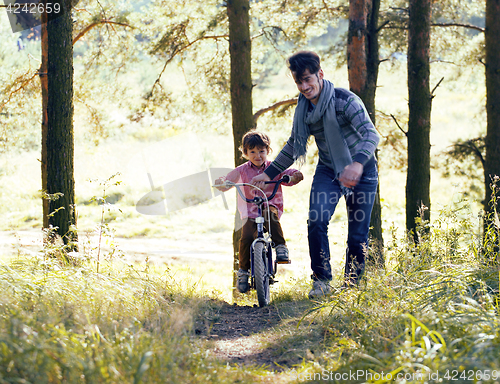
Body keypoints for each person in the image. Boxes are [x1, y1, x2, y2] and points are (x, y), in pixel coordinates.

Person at [251, 51, 380, 299]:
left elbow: (371, 134)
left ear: (320, 74)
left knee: (357, 234)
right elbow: (294, 145)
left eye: (308, 79)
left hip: (362, 172)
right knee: (316, 221)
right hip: (329, 171)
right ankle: (321, 281)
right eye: (299, 82)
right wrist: (269, 173)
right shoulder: (304, 109)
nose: (304, 87)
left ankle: (352, 286)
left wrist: (357, 164)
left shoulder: (345, 101)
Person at [215, 131, 303, 293]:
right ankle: (243, 271)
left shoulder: (273, 168)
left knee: (270, 215)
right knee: (246, 236)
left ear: (268, 151)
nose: (257, 155)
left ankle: (281, 247)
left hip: (270, 205)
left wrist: (293, 175)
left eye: (261, 151)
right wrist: (221, 182)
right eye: (252, 152)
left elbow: (287, 174)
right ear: (245, 153)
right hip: (249, 211)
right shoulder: (241, 171)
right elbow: (227, 181)